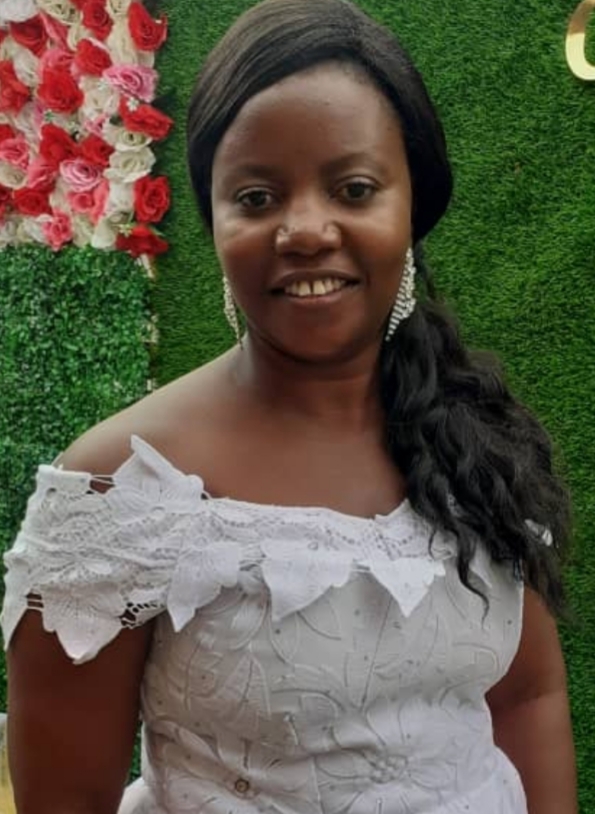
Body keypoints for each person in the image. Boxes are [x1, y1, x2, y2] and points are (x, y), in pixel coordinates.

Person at [1, 0, 577, 812]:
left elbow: (526, 697)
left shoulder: (468, 430)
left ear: (409, 206)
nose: (305, 229)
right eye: (257, 197)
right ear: (215, 223)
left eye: (352, 187)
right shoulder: (117, 494)